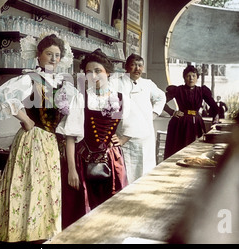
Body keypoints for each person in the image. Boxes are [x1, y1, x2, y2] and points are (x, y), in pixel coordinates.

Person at [0, 34, 84, 243]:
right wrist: (24, 118)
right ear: (39, 55)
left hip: (51, 144)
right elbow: (1, 94)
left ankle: (40, 237)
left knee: (45, 191)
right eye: (49, 54)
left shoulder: (64, 84)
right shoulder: (30, 78)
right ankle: (20, 235)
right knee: (27, 187)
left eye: (57, 55)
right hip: (31, 141)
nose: (53, 59)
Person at [71, 49, 131, 219]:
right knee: (87, 205)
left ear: (108, 73)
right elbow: (70, 134)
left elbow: (133, 125)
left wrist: (122, 139)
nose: (94, 76)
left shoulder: (121, 98)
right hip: (84, 158)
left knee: (112, 206)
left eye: (98, 71)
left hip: (112, 158)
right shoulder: (81, 97)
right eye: (89, 72)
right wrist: (71, 170)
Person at [118, 53, 166, 183]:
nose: (137, 69)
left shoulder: (147, 84)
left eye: (140, 65)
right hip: (125, 135)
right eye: (133, 65)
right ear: (126, 66)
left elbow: (161, 97)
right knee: (126, 171)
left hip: (145, 135)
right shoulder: (118, 83)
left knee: (145, 170)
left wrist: (153, 114)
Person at [163, 65, 219, 159]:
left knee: (195, 150)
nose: (191, 78)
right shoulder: (178, 90)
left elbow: (213, 106)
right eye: (188, 76)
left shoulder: (201, 91)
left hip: (196, 123)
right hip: (180, 123)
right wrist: (172, 112)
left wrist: (215, 118)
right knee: (178, 149)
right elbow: (160, 101)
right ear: (184, 78)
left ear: (197, 77)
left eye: (193, 75)